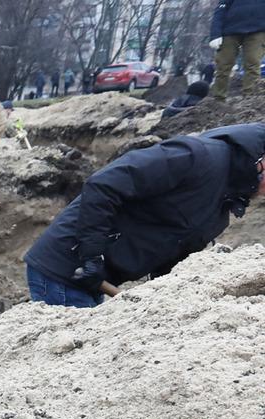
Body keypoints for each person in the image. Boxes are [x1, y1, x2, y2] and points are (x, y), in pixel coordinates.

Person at [23, 123, 265, 307]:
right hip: (65, 268)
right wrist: (92, 256)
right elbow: (104, 185)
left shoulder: (227, 197)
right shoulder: (195, 157)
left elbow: (175, 244)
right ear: (260, 161)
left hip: (99, 278)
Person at [210, 0, 265, 99]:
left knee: (253, 64)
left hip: (258, 30)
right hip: (230, 31)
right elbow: (221, 10)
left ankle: (250, 100)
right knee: (223, 66)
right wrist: (215, 34)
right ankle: (218, 99)